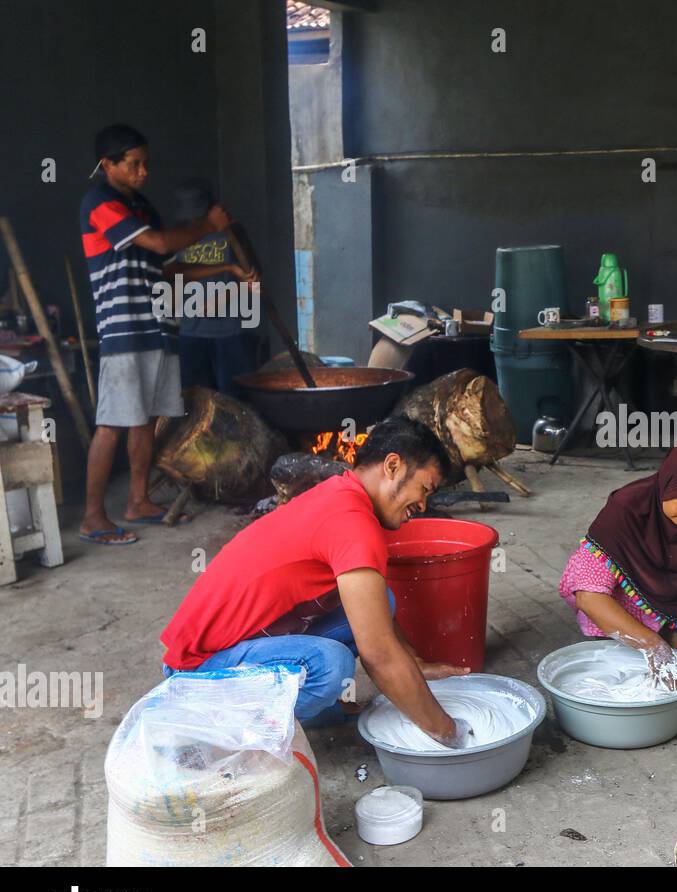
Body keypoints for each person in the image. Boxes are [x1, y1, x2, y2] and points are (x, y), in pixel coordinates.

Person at [158, 416, 473, 745]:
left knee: (383, 601)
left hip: (227, 647)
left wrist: (415, 666)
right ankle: (221, 734)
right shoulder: (353, 525)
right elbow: (379, 655)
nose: (423, 506)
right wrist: (448, 732)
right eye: (424, 489)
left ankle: (308, 711)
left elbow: (382, 632)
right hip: (195, 671)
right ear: (392, 465)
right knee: (328, 666)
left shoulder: (342, 494)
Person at [77, 124, 245, 545]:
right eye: (133, 164)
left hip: (159, 328)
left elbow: (166, 266)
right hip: (124, 331)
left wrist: (224, 269)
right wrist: (208, 225)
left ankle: (137, 502)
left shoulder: (144, 208)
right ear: (107, 164)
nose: (142, 172)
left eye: (146, 164)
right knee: (113, 423)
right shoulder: (99, 202)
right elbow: (155, 243)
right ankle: (93, 517)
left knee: (147, 421)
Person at [558, 441, 677, 675]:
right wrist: (652, 645)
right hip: (613, 613)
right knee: (616, 668)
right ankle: (639, 637)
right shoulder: (626, 507)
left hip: (665, 615)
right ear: (668, 484)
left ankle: (666, 631)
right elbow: (590, 597)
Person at [170, 178, 259, 393]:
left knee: (236, 400)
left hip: (231, 331)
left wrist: (221, 298)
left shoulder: (232, 233)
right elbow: (171, 275)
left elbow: (254, 277)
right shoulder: (177, 235)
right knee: (195, 402)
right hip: (191, 331)